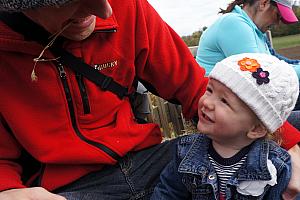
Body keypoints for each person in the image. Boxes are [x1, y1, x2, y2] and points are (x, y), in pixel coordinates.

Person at [0, 0, 300, 200]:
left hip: (151, 161)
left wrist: (288, 145)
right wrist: (9, 191)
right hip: (72, 189)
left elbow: (195, 88)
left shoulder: (125, 7)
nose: (105, 12)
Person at [151, 53, 299, 200]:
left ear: (256, 129)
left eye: (224, 101)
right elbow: (168, 192)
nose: (207, 103)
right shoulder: (185, 152)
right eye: (209, 90)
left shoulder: (275, 167)